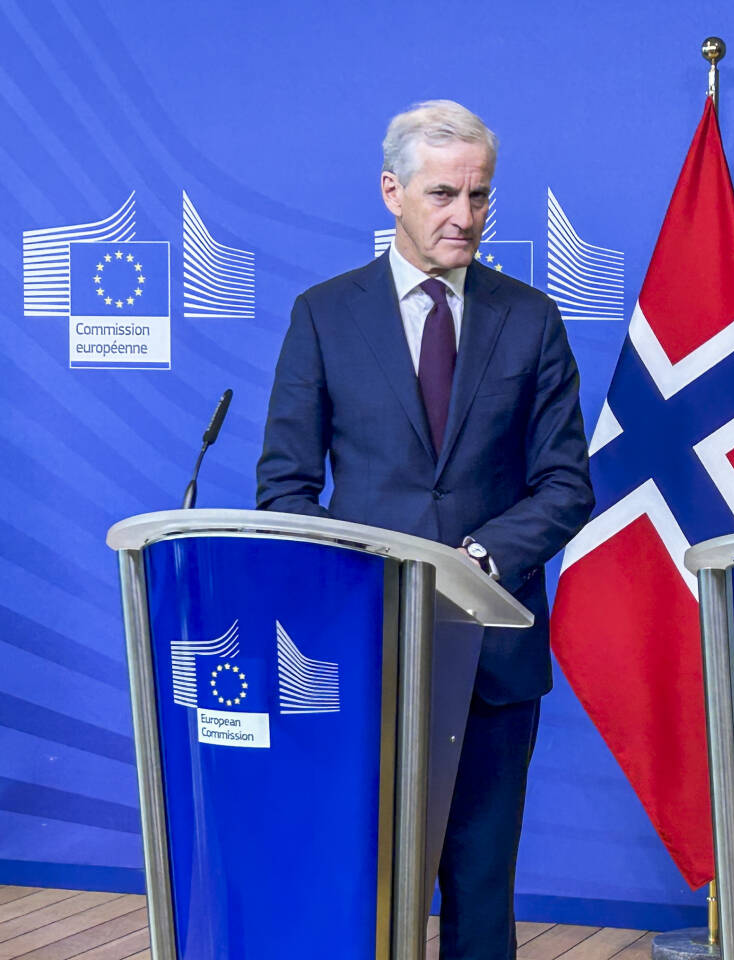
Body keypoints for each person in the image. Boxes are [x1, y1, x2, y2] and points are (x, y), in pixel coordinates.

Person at [256, 99, 594, 960]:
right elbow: (285, 491)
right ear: (391, 192)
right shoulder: (325, 316)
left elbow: (565, 485)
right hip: (365, 654)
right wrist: (384, 579)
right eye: (444, 194)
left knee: (481, 891)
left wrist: (472, 563)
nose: (465, 216)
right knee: (361, 883)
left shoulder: (531, 318)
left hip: (493, 658)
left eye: (480, 196)